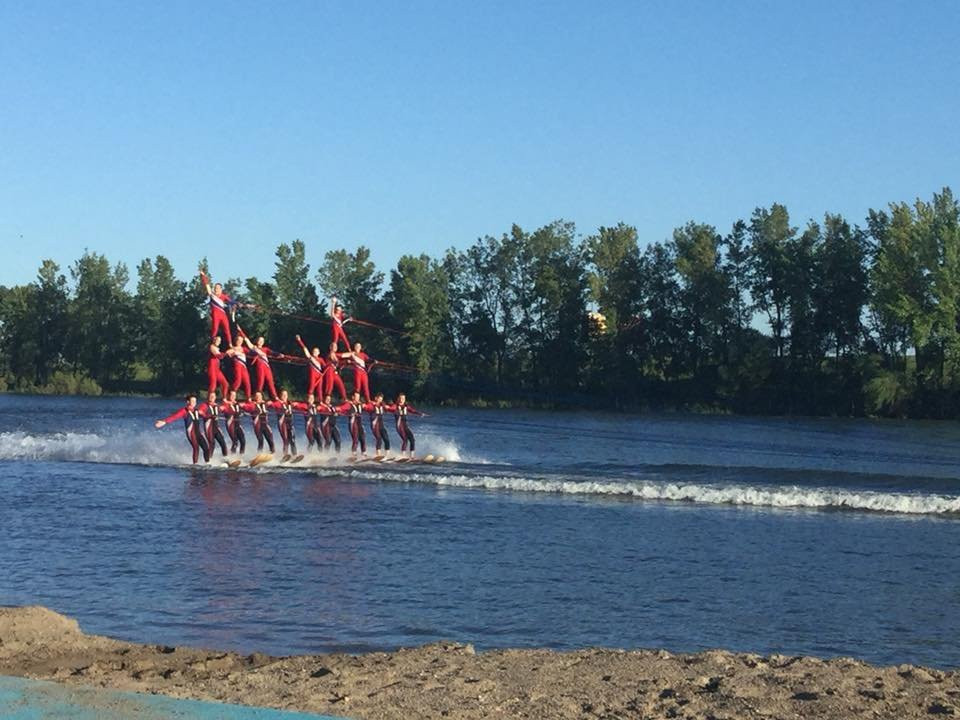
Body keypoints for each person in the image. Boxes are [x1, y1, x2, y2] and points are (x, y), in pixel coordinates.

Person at [154, 395, 210, 464]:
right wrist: (164, 421)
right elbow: (174, 417)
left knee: (206, 448)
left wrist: (211, 417)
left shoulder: (197, 411)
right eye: (192, 401)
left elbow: (205, 416)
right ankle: (195, 465)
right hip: (191, 433)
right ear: (188, 402)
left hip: (199, 433)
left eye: (195, 401)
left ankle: (207, 463)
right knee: (196, 448)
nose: (194, 403)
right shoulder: (184, 411)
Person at [237, 325, 279, 400]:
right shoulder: (254, 348)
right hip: (260, 367)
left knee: (270, 381)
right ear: (257, 341)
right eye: (259, 340)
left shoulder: (265, 349)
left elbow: (272, 352)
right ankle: (257, 397)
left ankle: (275, 397)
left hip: (267, 367)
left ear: (263, 342)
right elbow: (246, 340)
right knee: (260, 382)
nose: (260, 342)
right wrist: (241, 331)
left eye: (262, 341)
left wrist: (279, 354)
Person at [199, 271, 235, 344]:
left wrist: (234, 307)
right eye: (215, 288)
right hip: (215, 314)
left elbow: (232, 302)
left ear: (221, 289)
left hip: (223, 314)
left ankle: (230, 344)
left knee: (227, 329)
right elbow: (207, 285)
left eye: (218, 288)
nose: (216, 289)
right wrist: (203, 276)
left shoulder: (224, 296)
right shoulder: (212, 295)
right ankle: (212, 342)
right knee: (215, 328)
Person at [336, 391, 372, 458]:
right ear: (353, 397)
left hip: (359, 424)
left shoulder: (360, 405)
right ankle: (353, 454)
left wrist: (370, 405)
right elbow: (342, 408)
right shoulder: (349, 404)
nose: (357, 399)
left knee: (363, 438)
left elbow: (369, 408)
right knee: (355, 439)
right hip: (352, 424)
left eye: (358, 397)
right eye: (356, 397)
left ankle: (364, 453)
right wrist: (337, 409)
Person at [393, 393, 426, 458]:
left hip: (405, 426)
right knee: (405, 440)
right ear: (398, 399)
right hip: (399, 426)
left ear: (405, 399)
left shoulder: (406, 406)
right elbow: (391, 409)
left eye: (403, 399)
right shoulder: (395, 406)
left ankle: (412, 456)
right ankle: (403, 456)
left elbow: (412, 411)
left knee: (412, 440)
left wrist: (420, 413)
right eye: (400, 398)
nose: (401, 400)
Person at [198, 391, 228, 459]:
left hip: (216, 429)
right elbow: (200, 412)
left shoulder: (217, 406)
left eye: (213, 396)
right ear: (208, 397)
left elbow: (225, 409)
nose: (212, 398)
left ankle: (226, 458)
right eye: (210, 396)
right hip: (209, 429)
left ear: (215, 397)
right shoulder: (204, 405)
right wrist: (208, 416)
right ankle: (209, 460)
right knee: (212, 444)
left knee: (223, 443)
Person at [270, 389, 298, 460]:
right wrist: (269, 403)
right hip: (283, 424)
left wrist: (298, 404)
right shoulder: (278, 404)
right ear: (280, 396)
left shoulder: (290, 403)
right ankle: (285, 456)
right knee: (286, 441)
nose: (285, 396)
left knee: (293, 440)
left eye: (286, 395)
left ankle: (295, 456)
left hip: (290, 424)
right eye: (283, 395)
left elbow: (301, 406)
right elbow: (271, 405)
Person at [222, 389, 247, 455]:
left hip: (238, 425)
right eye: (231, 395)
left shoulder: (237, 404)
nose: (233, 397)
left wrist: (242, 413)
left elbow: (241, 410)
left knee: (243, 441)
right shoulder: (226, 404)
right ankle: (232, 457)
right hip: (231, 425)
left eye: (234, 395)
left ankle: (241, 456)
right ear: (228, 396)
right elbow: (223, 409)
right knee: (235, 442)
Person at [368, 392, 392, 456]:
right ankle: (378, 455)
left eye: (381, 399)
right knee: (379, 439)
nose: (380, 400)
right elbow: (368, 407)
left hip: (381, 425)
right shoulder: (371, 405)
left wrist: (389, 407)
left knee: (386, 439)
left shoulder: (382, 404)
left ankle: (387, 455)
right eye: (379, 399)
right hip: (374, 425)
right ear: (376, 398)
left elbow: (388, 408)